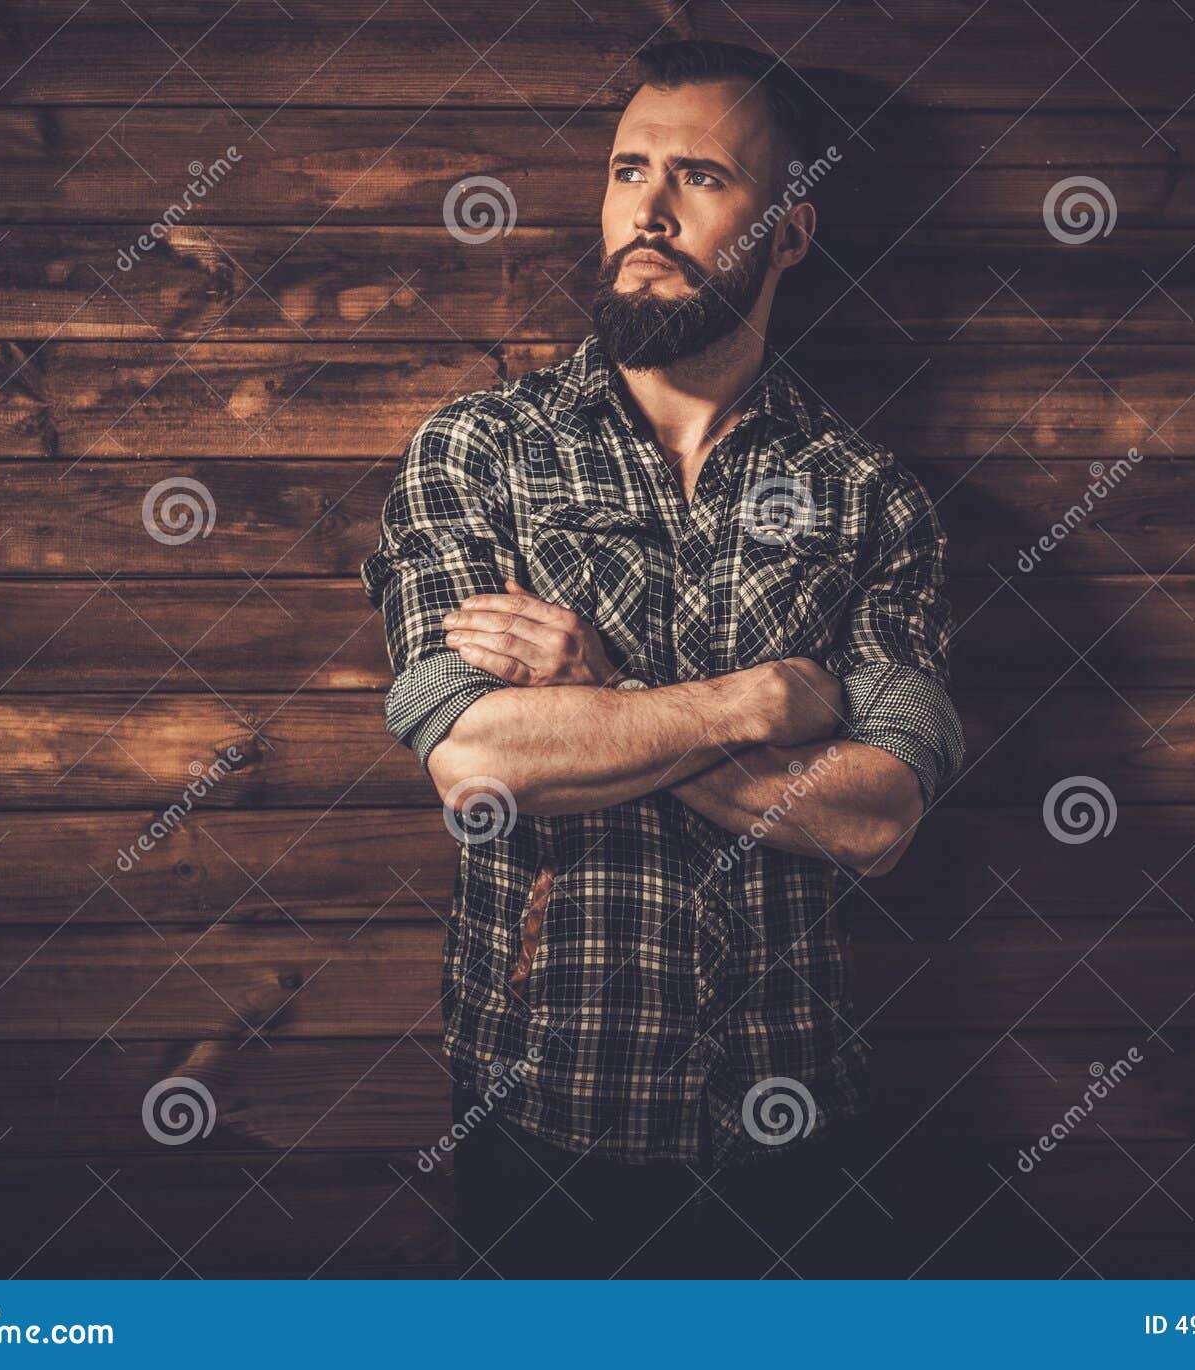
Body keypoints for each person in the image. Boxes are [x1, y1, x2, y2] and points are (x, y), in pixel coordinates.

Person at [363, 38, 965, 1278]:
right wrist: (762, 700)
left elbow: (880, 812)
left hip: (796, 1108)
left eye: (699, 176)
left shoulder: (868, 498)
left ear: (787, 233)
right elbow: (477, 756)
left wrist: (593, 701)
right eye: (627, 169)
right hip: (545, 1111)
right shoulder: (478, 455)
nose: (646, 209)